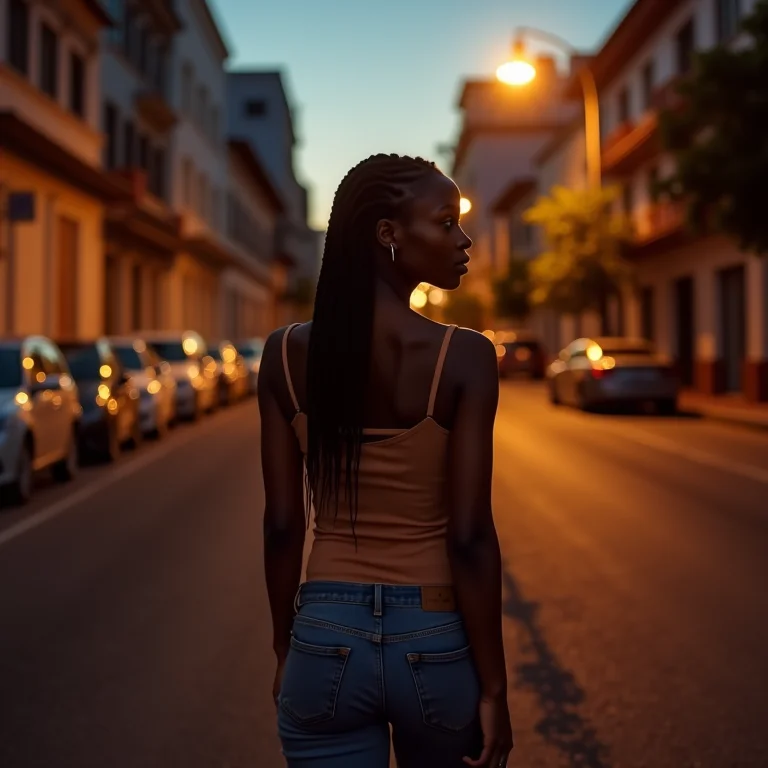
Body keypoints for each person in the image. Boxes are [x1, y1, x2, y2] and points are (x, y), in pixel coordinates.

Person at [258, 153, 513, 768]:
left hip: (324, 636)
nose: (463, 239)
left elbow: (283, 525)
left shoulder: (285, 355)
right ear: (388, 234)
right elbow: (471, 537)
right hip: (433, 640)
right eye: (446, 222)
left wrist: (285, 648)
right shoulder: (465, 356)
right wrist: (496, 687)